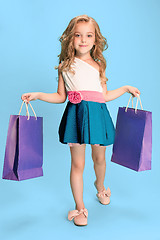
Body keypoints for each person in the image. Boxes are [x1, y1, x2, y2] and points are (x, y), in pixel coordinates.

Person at [21, 14, 141, 227]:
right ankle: (80, 208)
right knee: (77, 164)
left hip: (97, 116)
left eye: (88, 35)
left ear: (96, 39)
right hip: (76, 118)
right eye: (78, 35)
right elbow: (60, 97)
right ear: (70, 38)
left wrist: (124, 89)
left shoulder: (99, 65)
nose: (83, 40)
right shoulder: (65, 65)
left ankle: (100, 186)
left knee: (99, 159)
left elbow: (102, 95)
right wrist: (38, 95)